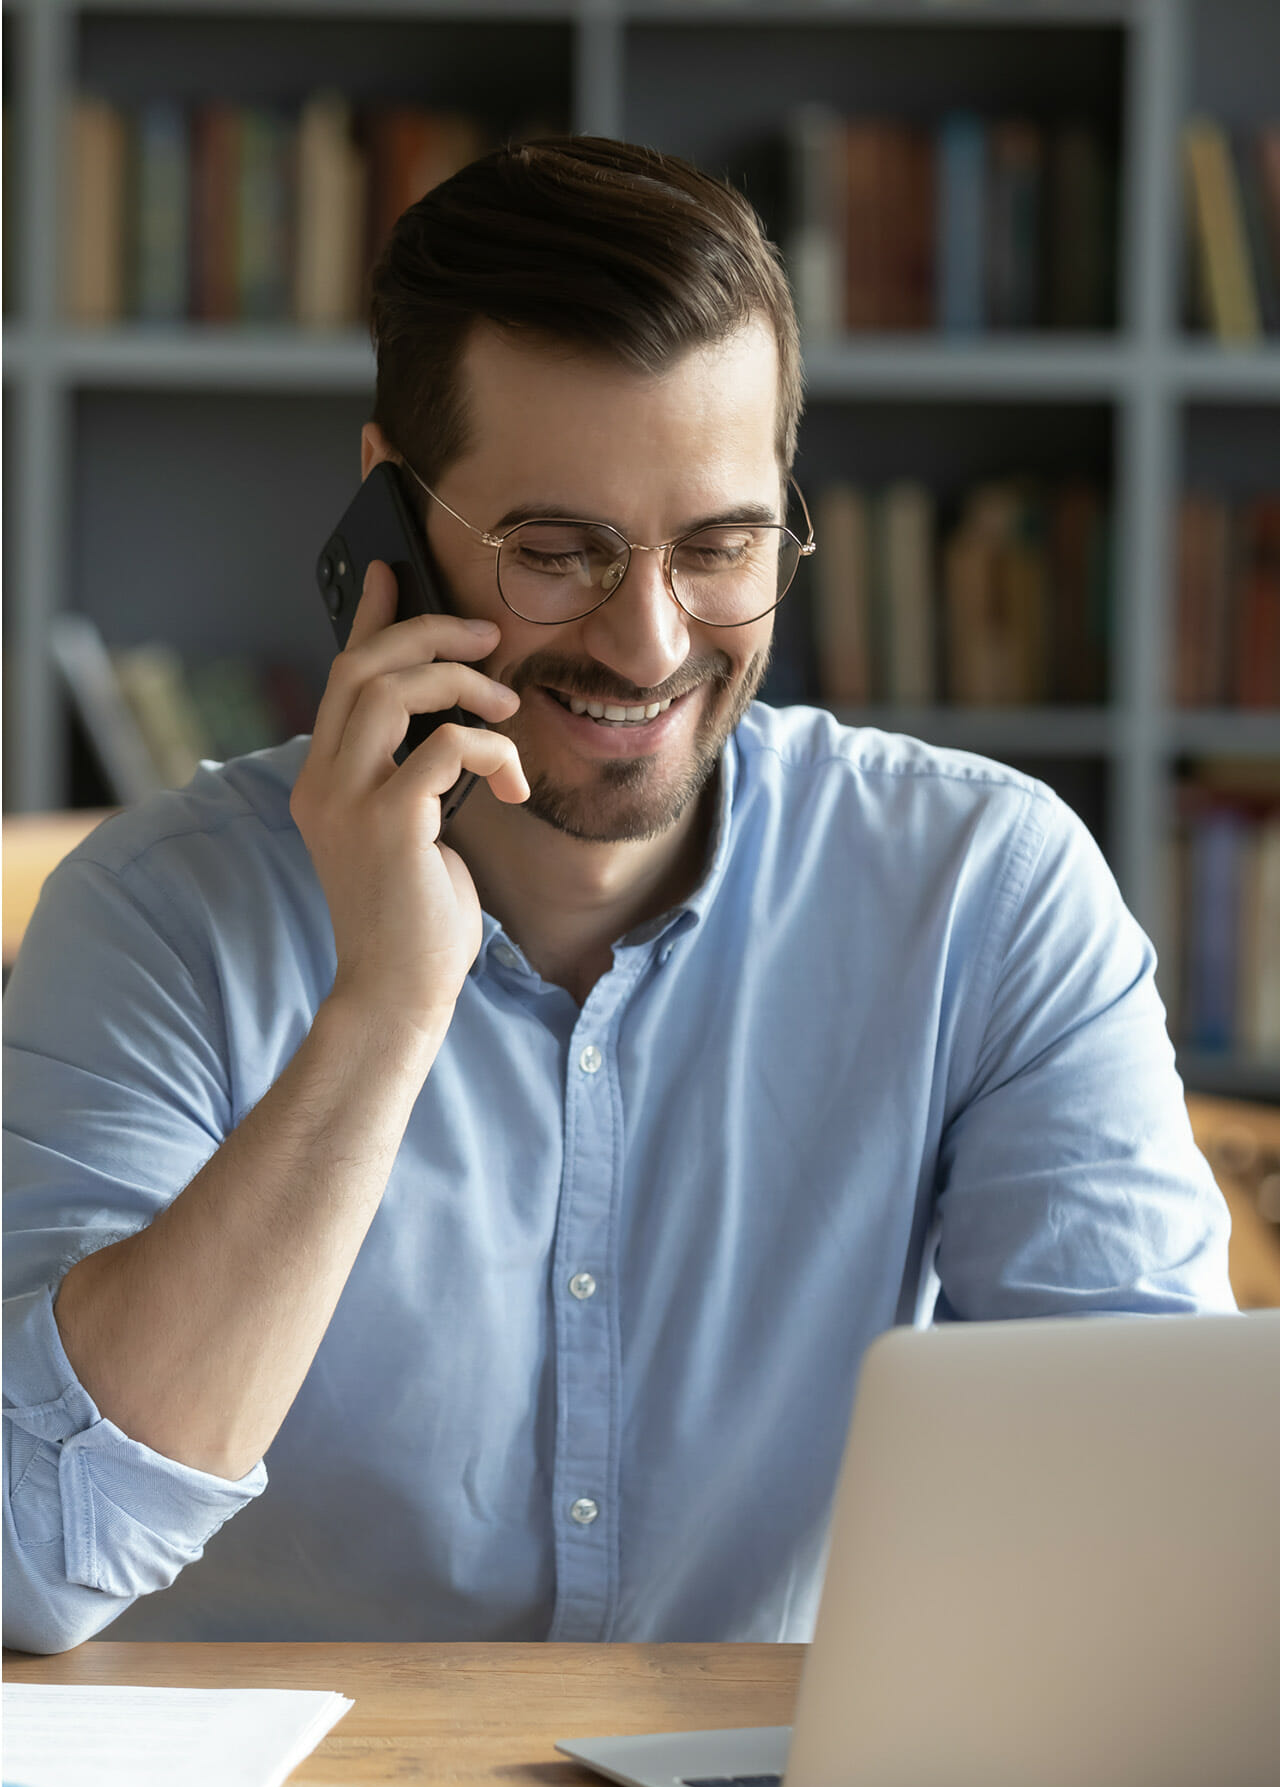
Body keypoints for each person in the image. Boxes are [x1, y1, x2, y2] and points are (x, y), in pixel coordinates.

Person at [3, 138, 1231, 1657]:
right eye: (558, 553)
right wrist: (387, 1010)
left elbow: (1167, 1538)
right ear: (387, 522)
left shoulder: (983, 892)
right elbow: (31, 1557)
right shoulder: (158, 917)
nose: (650, 644)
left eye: (720, 547)